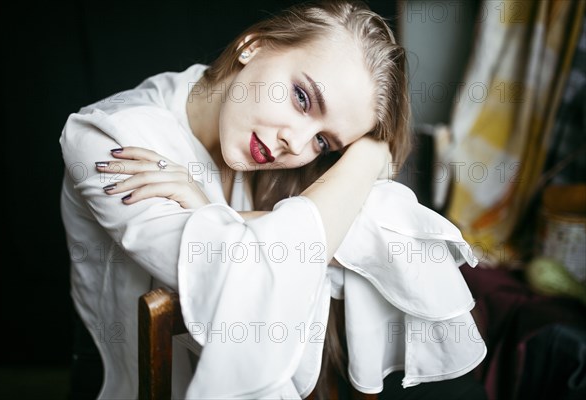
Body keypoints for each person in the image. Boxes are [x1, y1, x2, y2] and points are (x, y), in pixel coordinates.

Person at [60, 1, 487, 399]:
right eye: (302, 98)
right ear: (253, 46)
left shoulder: (282, 162)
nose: (295, 144)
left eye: (324, 142)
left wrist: (219, 216)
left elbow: (403, 245)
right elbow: (238, 273)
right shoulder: (109, 138)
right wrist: (370, 157)